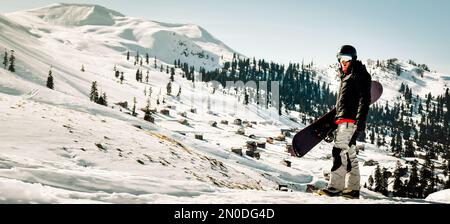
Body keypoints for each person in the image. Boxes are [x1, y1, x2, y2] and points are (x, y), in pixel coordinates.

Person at [318, 45, 372, 199]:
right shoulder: (345, 75)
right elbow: (344, 103)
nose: (344, 62)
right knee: (349, 153)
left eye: (347, 59)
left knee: (338, 151)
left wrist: (361, 120)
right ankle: (353, 190)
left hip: (350, 120)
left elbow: (365, 99)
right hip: (344, 120)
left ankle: (335, 187)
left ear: (353, 59)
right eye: (341, 59)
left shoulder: (359, 74)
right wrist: (334, 123)